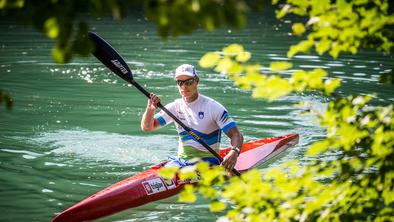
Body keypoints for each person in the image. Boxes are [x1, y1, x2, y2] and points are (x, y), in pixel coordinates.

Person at [141, 64, 243, 172]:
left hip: (208, 163)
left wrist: (234, 152)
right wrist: (150, 109)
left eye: (188, 82)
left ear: (196, 81)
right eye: (180, 83)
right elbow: (147, 127)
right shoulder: (175, 107)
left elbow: (236, 135)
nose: (184, 86)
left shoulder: (213, 107)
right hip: (181, 162)